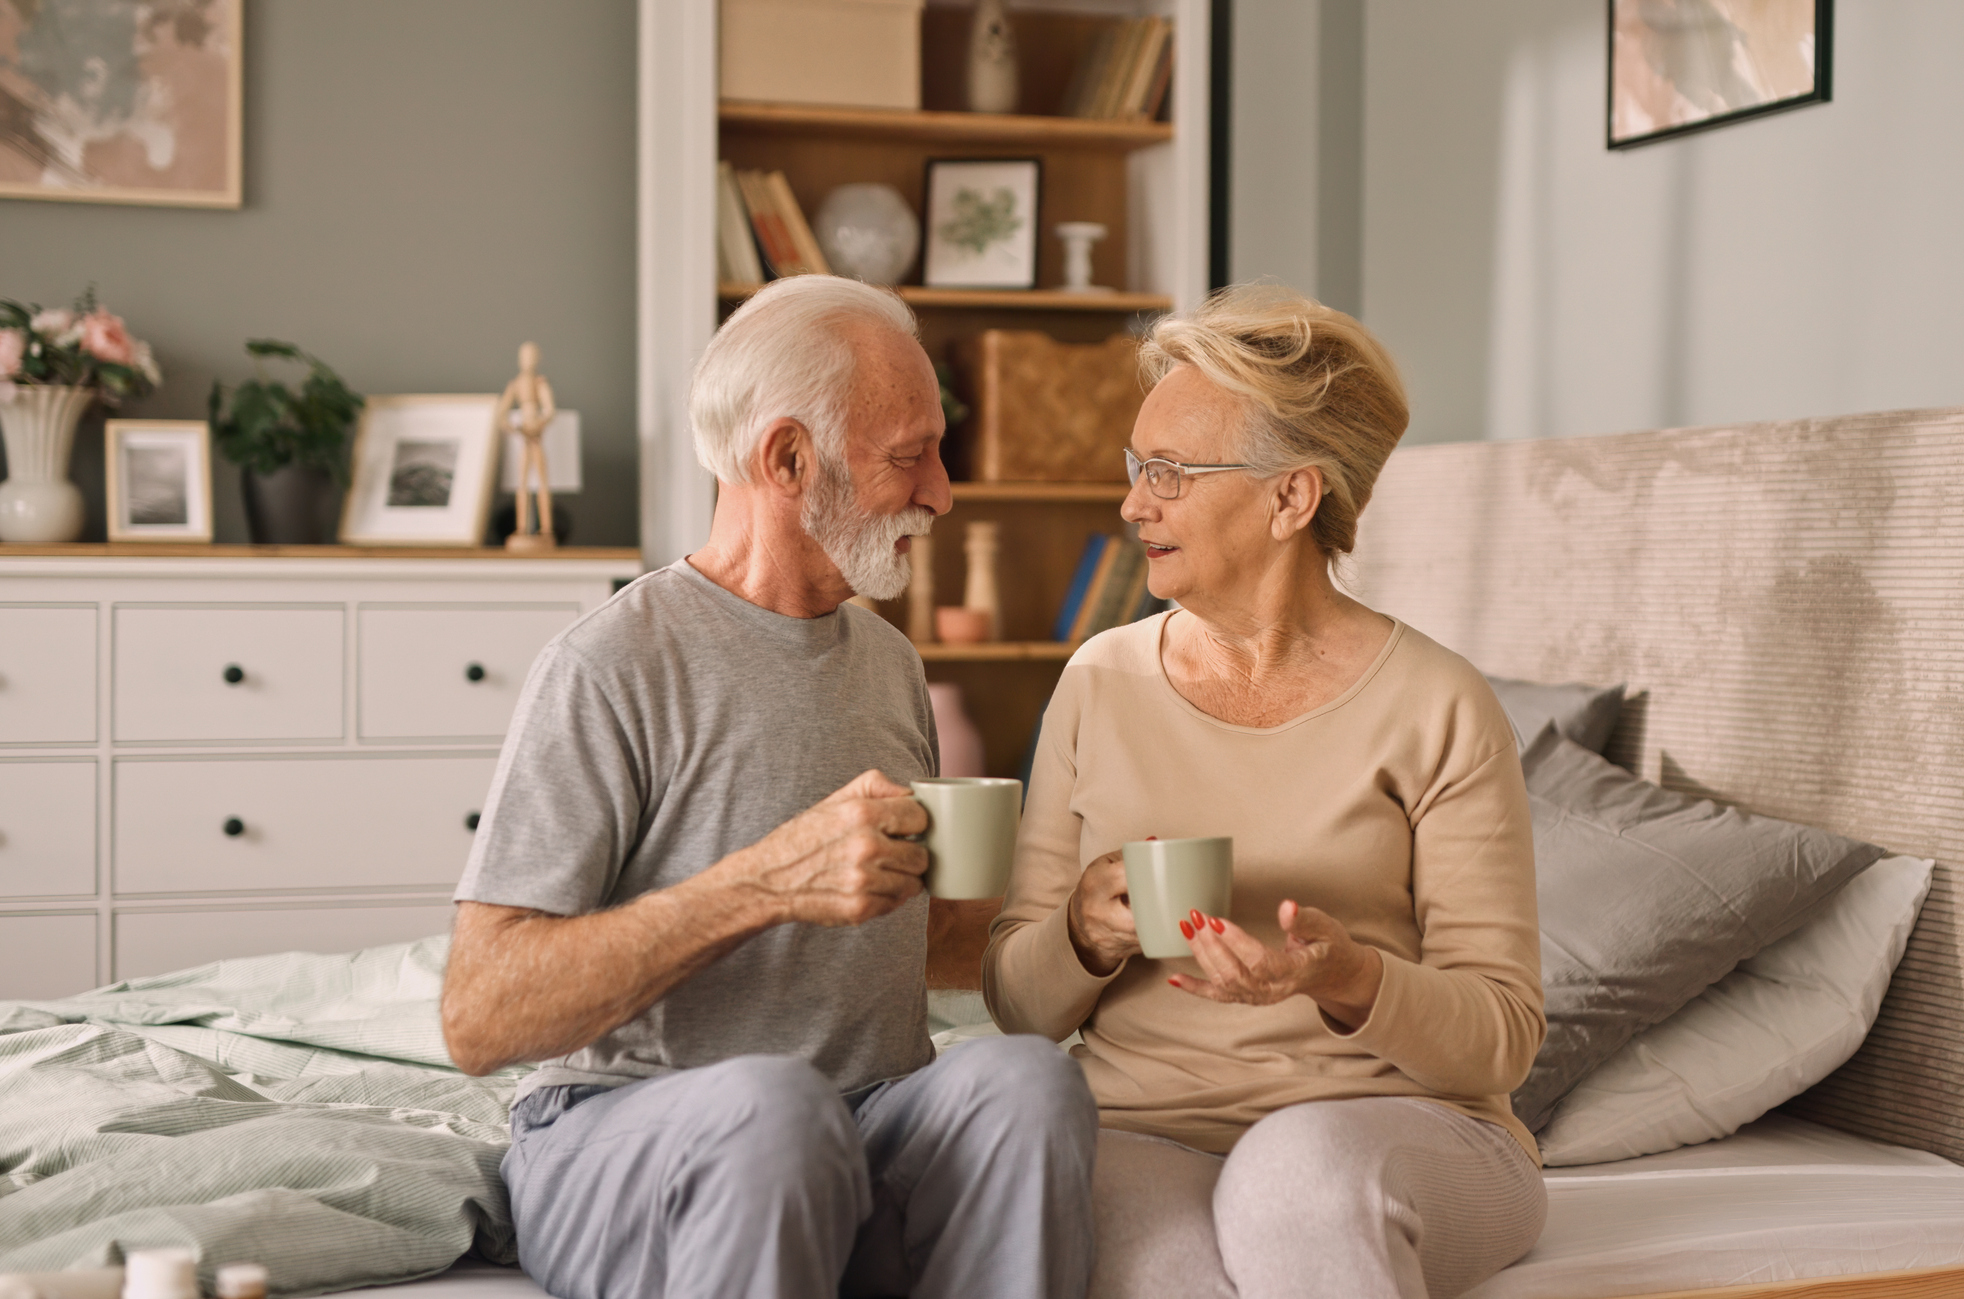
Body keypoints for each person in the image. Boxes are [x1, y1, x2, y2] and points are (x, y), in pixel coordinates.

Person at [443, 276, 1097, 1299]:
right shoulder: (611, 665)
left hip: (867, 1108)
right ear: (786, 458)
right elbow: (479, 1016)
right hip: (627, 1124)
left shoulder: (887, 663)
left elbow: (904, 945)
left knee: (1026, 1082)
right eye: (908, 455)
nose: (943, 492)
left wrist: (1093, 931)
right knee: (774, 1111)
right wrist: (759, 886)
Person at [982, 285, 1546, 1299]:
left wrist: (1346, 981)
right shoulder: (1096, 683)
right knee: (1153, 1263)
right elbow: (1018, 1008)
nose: (1129, 504)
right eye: (1132, 467)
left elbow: (1499, 1033)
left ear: (1290, 498)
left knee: (1294, 1185)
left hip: (1405, 1129)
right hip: (1142, 1128)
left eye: (1167, 474)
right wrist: (1080, 934)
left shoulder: (1438, 705)